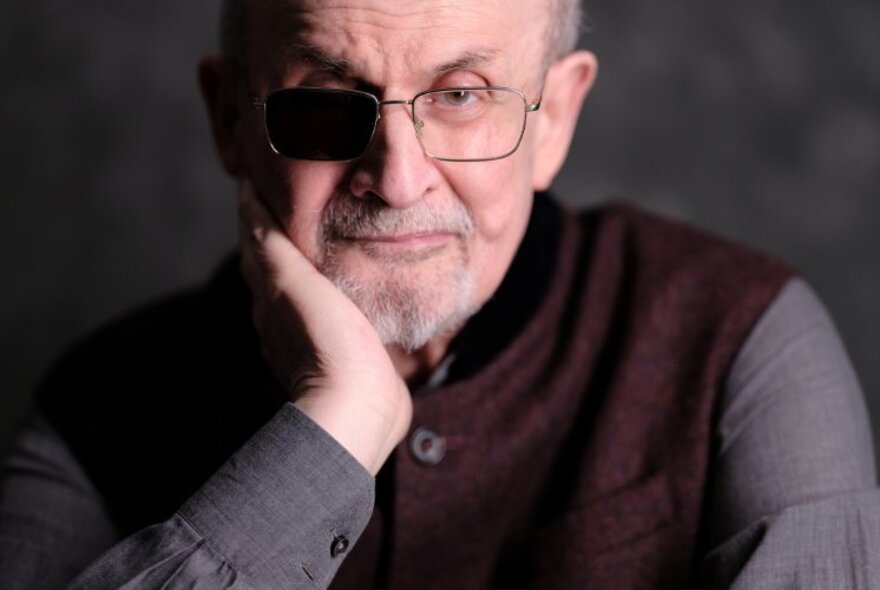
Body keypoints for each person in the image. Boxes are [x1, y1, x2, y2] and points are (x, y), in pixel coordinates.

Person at [1, 0, 878, 588]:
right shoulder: (96, 408)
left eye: (462, 95)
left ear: (556, 119)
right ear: (231, 117)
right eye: (333, 97)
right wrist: (334, 428)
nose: (398, 178)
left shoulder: (741, 341)